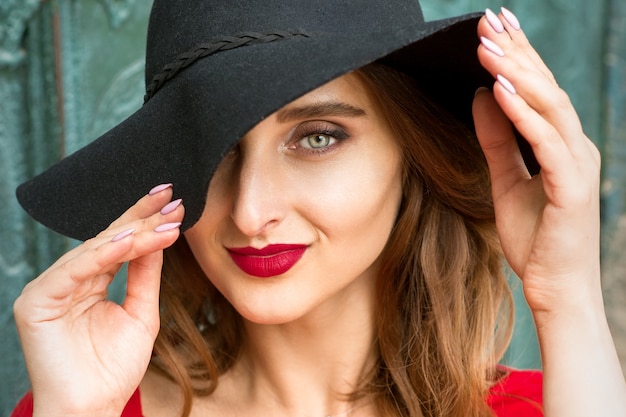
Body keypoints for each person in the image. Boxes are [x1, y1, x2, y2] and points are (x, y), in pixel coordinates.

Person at [10, 1, 626, 416]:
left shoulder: (553, 405)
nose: (250, 212)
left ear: (413, 154)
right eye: (214, 148)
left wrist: (567, 296)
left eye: (317, 137)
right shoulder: (85, 403)